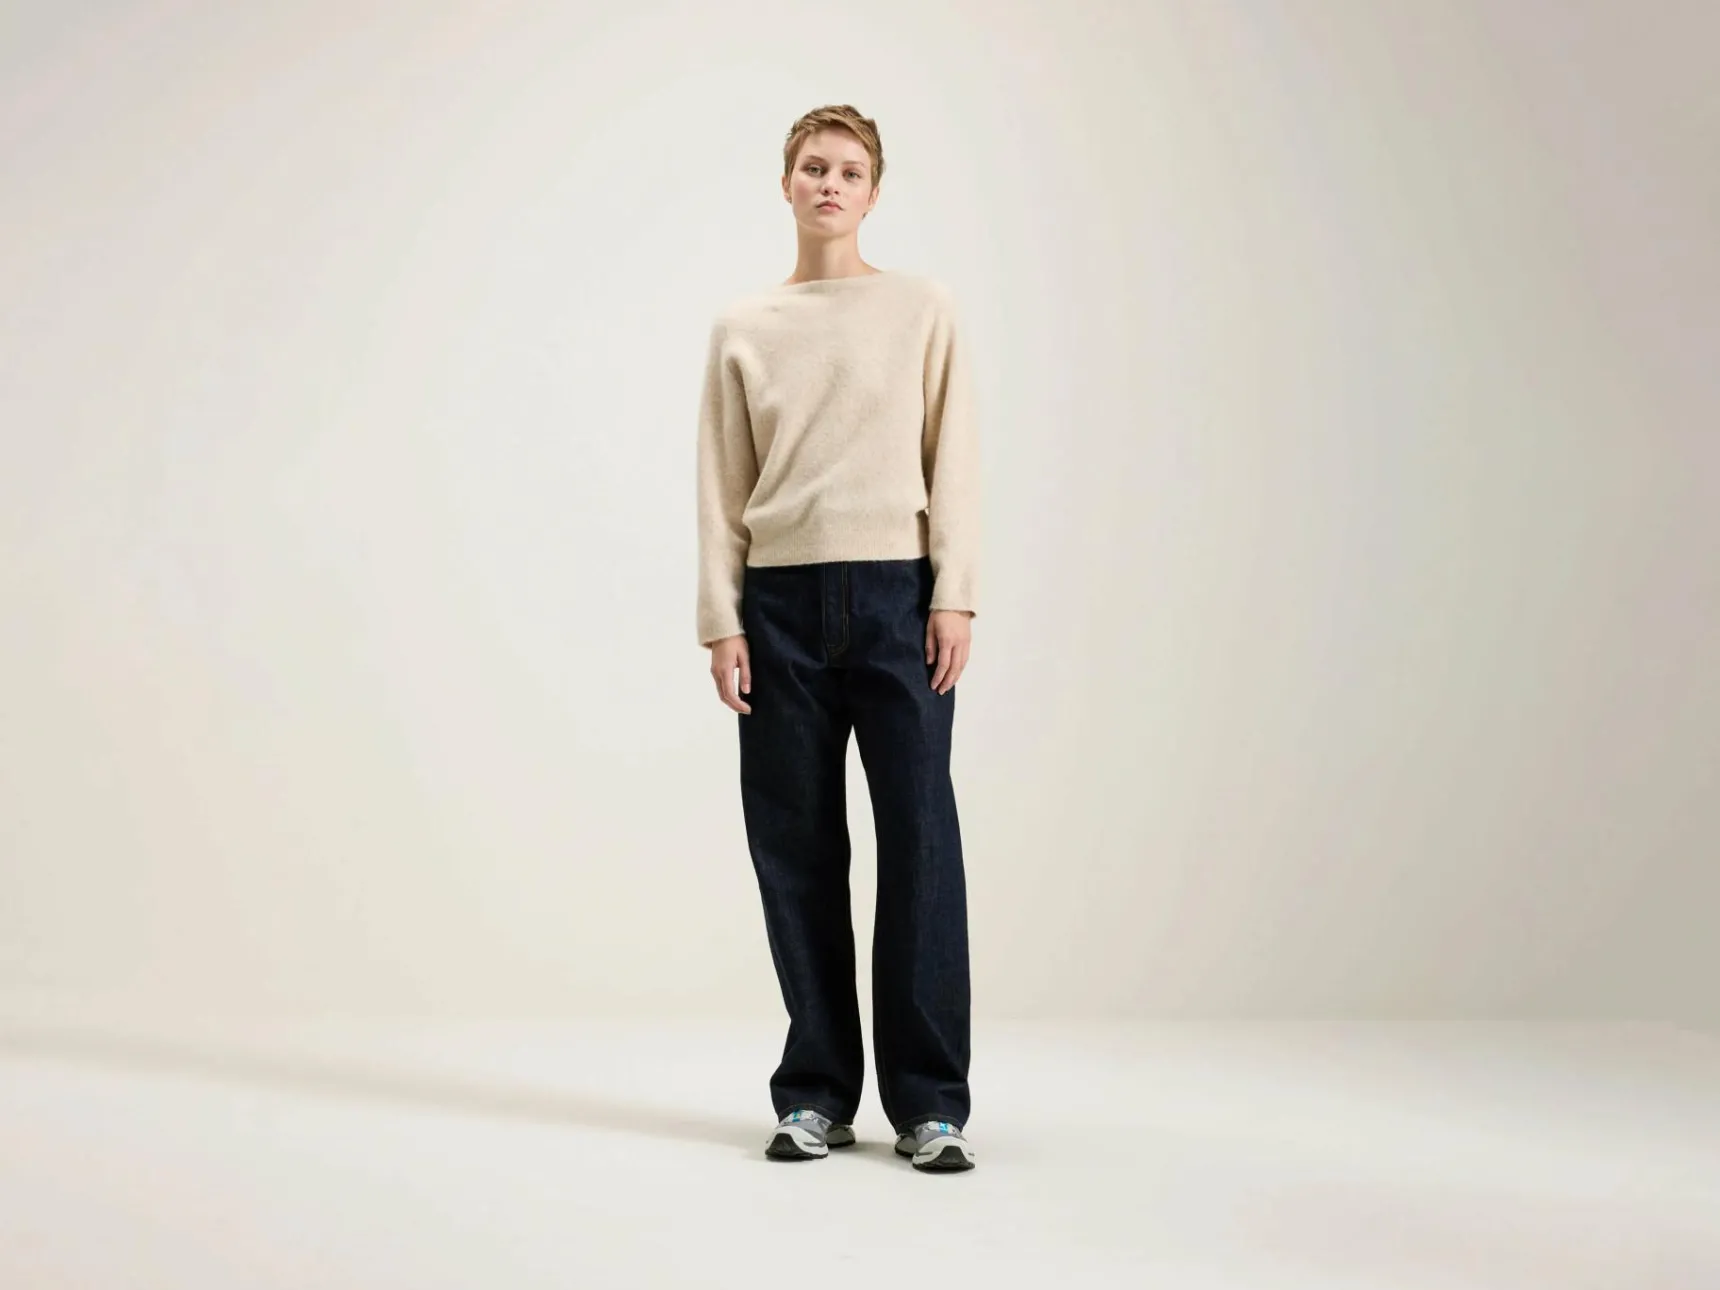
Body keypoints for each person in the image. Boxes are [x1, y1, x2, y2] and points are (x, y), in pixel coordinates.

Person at [695, 105, 980, 1173]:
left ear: (873, 192)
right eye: (813, 167)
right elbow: (721, 482)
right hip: (777, 604)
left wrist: (954, 594)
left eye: (849, 171)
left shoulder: (920, 309)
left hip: (900, 597)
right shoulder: (746, 326)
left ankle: (929, 1104)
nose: (829, 183)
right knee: (796, 848)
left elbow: (954, 453)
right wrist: (721, 617)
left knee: (919, 842)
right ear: (786, 184)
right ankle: (815, 1094)